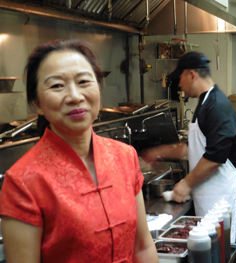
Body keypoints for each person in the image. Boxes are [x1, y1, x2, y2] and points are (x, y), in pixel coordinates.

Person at [0, 40, 158, 263]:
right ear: (38, 104)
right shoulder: (23, 181)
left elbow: (142, 247)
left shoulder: (125, 156)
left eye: (83, 81)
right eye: (56, 86)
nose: (75, 96)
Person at [142, 51, 236, 243]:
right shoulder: (205, 103)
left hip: (221, 194)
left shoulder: (218, 106)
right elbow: (194, 147)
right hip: (209, 193)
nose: (178, 84)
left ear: (191, 75)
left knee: (218, 251)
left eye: (179, 78)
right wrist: (159, 152)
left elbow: (215, 157)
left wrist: (186, 183)